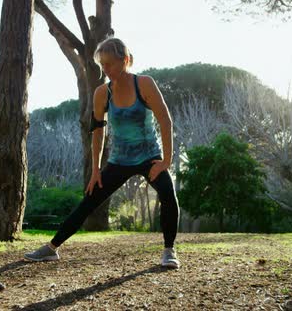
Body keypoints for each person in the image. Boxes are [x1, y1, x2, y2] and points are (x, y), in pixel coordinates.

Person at [24, 37, 180, 269]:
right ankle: (52, 248)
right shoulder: (102, 93)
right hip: (119, 161)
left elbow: (165, 120)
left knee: (168, 196)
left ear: (125, 60)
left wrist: (166, 160)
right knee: (89, 201)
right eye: (102, 64)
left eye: (110, 64)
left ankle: (169, 251)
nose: (105, 69)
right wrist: (96, 169)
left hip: (149, 157)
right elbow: (97, 131)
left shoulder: (144, 84)